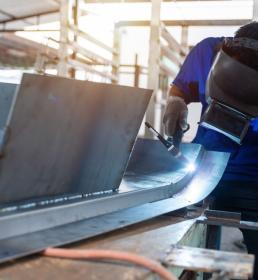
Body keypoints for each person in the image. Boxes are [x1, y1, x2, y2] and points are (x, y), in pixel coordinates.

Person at [163, 21, 258, 279]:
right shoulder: (208, 51)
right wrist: (176, 101)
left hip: (253, 181)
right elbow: (182, 87)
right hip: (202, 171)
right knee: (178, 246)